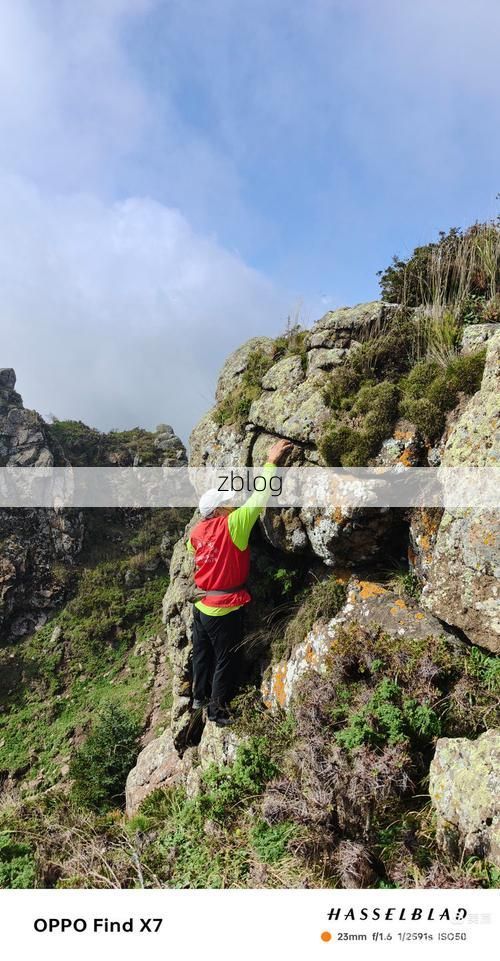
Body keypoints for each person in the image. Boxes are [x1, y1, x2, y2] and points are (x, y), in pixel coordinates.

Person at [187, 439, 292, 726]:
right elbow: (259, 498)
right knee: (225, 659)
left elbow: (192, 551)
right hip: (223, 608)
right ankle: (216, 711)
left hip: (203, 605)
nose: (233, 505)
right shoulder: (234, 525)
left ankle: (198, 697)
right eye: (228, 503)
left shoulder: (196, 533)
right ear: (219, 511)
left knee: (202, 653)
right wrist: (271, 462)